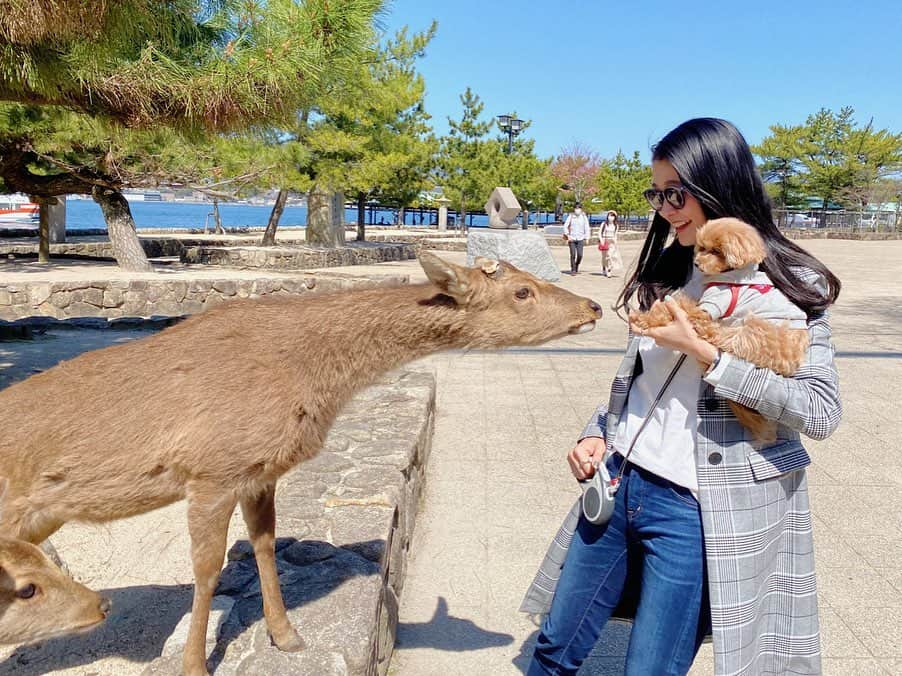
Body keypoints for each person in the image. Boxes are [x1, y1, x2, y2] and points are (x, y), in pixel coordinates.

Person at [522, 118, 842, 676]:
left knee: (650, 668)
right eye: (657, 193)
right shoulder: (671, 271)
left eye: (677, 193)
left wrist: (712, 358)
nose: (666, 208)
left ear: (720, 184)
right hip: (621, 480)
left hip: (697, 508)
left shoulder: (788, 291)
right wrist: (598, 431)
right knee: (554, 644)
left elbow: (819, 411)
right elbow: (639, 386)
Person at [563, 202, 591, 274]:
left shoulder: (584, 217)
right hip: (572, 238)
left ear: (581, 209)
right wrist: (567, 235)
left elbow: (587, 228)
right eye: (576, 208)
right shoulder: (571, 216)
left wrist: (587, 237)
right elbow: (565, 226)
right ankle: (573, 269)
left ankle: (577, 264)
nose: (577, 210)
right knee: (573, 254)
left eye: (579, 208)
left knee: (580, 255)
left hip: (580, 238)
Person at [598, 209, 622, 276]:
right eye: (609, 215)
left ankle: (609, 270)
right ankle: (604, 268)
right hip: (605, 240)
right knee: (604, 257)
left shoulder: (616, 226)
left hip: (612, 242)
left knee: (610, 256)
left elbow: (615, 234)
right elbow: (599, 233)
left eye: (612, 216)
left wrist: (615, 241)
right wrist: (601, 240)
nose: (611, 217)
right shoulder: (604, 224)